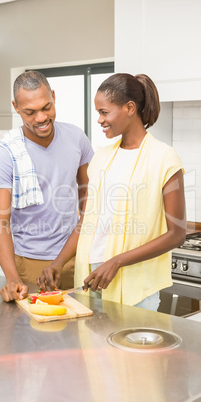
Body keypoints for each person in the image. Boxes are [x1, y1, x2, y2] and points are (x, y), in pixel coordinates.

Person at [38, 73, 186, 311]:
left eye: (104, 112)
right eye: (98, 113)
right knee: (92, 349)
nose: (99, 120)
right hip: (91, 284)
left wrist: (116, 262)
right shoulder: (102, 157)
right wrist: (59, 262)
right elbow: (87, 221)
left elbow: (177, 233)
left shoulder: (164, 158)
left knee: (128, 349)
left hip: (136, 292)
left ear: (129, 108)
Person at [0, 70, 94, 302]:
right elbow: (0, 223)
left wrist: (63, 259)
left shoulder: (77, 138)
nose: (41, 118)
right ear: (16, 107)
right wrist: (12, 278)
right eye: (30, 112)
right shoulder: (6, 153)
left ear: (53, 96)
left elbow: (89, 207)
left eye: (46, 107)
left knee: (78, 335)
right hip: (29, 265)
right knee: (33, 335)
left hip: (75, 259)